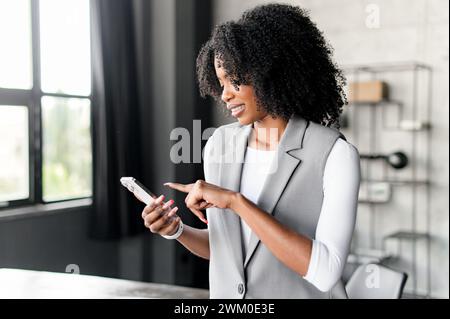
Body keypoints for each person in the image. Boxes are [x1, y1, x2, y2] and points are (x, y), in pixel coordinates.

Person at [141, 4, 360, 299]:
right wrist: (176, 230)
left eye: (235, 80)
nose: (226, 94)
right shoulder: (219, 144)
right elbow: (230, 250)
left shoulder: (335, 154)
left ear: (273, 72)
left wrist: (236, 202)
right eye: (221, 83)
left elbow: (325, 272)